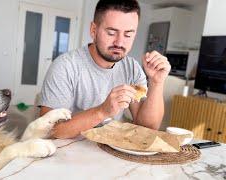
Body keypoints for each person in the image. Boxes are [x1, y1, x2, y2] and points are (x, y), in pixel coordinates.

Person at [38, 0, 171, 139]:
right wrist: (102, 111)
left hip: (109, 151)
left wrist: (156, 82)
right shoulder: (65, 66)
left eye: (128, 35)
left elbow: (147, 128)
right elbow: (50, 130)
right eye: (111, 32)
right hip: (67, 151)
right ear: (93, 30)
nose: (119, 42)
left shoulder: (132, 68)